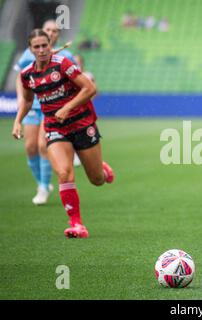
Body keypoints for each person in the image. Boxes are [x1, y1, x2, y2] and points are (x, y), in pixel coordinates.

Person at [12, 29, 115, 238]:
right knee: (64, 173)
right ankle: (76, 224)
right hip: (55, 128)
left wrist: (67, 107)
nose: (41, 50)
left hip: (82, 123)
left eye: (44, 45)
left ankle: (101, 169)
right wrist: (17, 121)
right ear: (30, 49)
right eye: (36, 47)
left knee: (96, 179)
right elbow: (28, 100)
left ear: (50, 45)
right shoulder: (27, 75)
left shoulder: (63, 64)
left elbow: (89, 88)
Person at [14, 20, 77, 205]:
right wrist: (20, 98)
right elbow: (21, 77)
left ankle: (43, 187)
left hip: (52, 106)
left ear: (55, 37)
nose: (52, 33)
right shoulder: (29, 54)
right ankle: (41, 183)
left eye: (55, 31)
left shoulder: (65, 55)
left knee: (43, 145)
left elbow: (76, 78)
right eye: (49, 29)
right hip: (32, 104)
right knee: (30, 147)